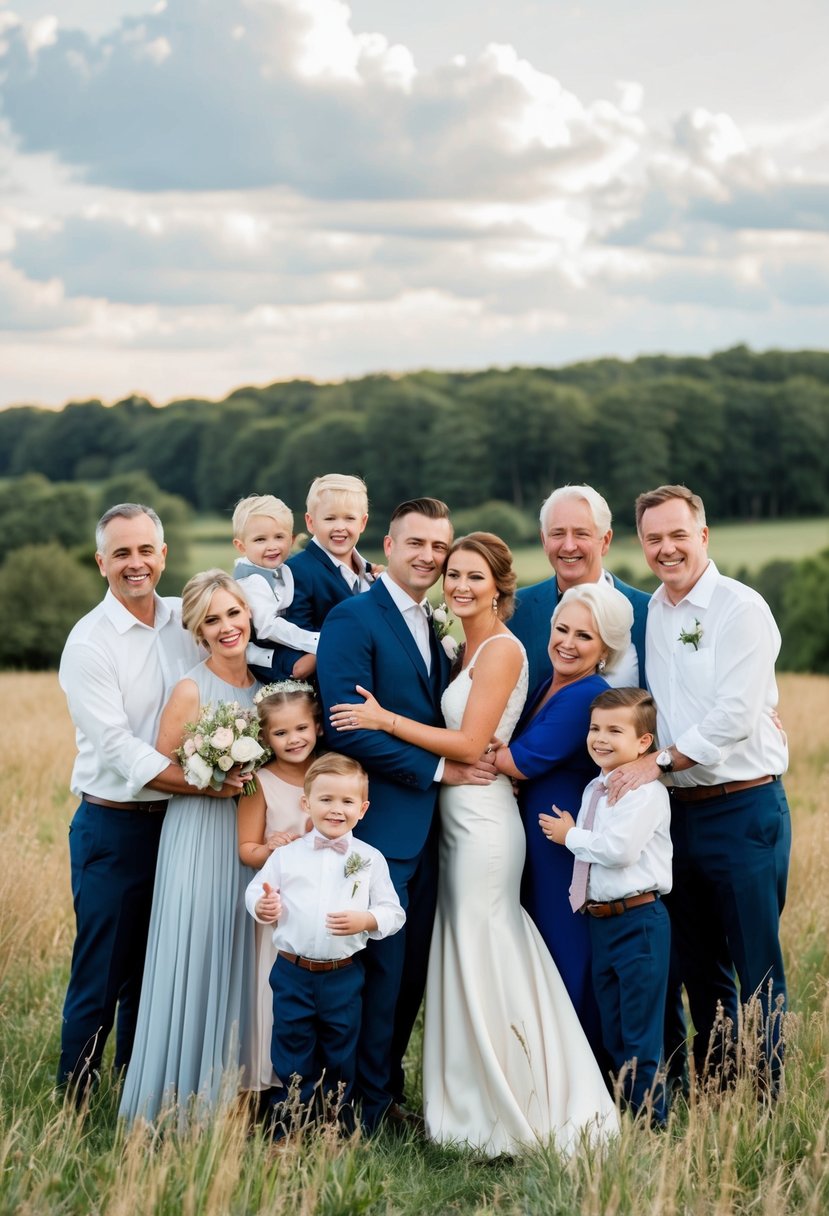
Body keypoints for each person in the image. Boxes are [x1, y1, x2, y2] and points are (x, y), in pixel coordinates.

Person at [331, 533, 618, 1156]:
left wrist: (384, 720)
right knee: (463, 952)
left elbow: (467, 745)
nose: (459, 586)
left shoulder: (503, 652)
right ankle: (467, 1099)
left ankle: (523, 1098)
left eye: (474, 578)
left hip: (484, 820)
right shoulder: (457, 648)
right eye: (452, 574)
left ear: (500, 587)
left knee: (488, 946)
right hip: (453, 818)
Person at [610, 484, 790, 1086]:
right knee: (698, 965)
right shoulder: (654, 611)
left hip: (742, 808)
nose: (667, 549)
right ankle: (719, 1090)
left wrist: (657, 763)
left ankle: (763, 1100)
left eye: (678, 535)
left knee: (755, 964)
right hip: (676, 815)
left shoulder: (741, 608)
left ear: (703, 535)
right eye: (654, 538)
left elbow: (735, 715)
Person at [317, 497, 471, 1131]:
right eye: (417, 544)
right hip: (381, 828)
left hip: (434, 829)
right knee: (376, 974)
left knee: (407, 976)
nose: (429, 557)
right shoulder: (354, 619)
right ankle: (354, 1108)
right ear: (389, 545)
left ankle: (383, 1096)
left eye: (439, 547)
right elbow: (346, 727)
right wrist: (437, 770)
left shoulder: (434, 623)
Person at [57, 503, 201, 1099]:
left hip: (180, 825)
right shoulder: (89, 644)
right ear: (101, 564)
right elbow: (117, 748)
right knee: (102, 971)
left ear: (163, 556)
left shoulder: (185, 621)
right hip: (113, 828)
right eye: (121, 553)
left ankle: (138, 1089)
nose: (135, 563)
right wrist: (203, 783)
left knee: (157, 967)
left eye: (146, 550)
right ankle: (76, 1100)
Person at [119, 570, 259, 1125]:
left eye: (233, 613)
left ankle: (238, 1098)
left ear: (249, 614)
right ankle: (182, 1104)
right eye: (212, 620)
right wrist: (214, 776)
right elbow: (159, 767)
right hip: (199, 838)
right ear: (198, 631)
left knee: (243, 957)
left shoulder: (264, 686)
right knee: (198, 952)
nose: (227, 627)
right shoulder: (191, 688)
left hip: (251, 841)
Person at [491, 583, 633, 1057]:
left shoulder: (587, 695)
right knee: (541, 955)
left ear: (605, 649)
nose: (567, 643)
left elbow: (520, 760)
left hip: (561, 848)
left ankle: (581, 1070)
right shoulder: (550, 683)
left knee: (565, 953)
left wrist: (489, 755)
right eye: (561, 629)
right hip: (537, 842)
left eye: (584, 637)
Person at [245, 753, 405, 1135]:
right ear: (307, 803)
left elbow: (393, 912)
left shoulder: (370, 859)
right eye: (326, 800)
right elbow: (255, 891)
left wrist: (366, 919)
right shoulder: (285, 856)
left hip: (342, 975)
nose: (336, 809)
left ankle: (334, 1127)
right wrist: (263, 905)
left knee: (340, 1053)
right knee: (291, 1052)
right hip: (292, 971)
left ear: (363, 809)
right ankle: (287, 1132)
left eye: (347, 802)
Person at [542, 688, 672, 1123]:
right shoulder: (595, 787)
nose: (600, 738)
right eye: (595, 728)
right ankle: (621, 1117)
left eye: (615, 730)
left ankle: (653, 1126)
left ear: (643, 744)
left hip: (639, 920)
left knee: (638, 1033)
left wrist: (570, 835)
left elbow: (618, 850)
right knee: (613, 1025)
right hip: (602, 920)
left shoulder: (645, 794)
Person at [237, 680, 319, 1093]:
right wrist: (270, 847)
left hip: (323, 912)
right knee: (274, 999)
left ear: (317, 727)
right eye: (281, 732)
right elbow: (246, 849)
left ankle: (318, 1084)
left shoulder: (329, 773)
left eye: (301, 728)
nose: (293, 739)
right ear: (265, 738)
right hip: (279, 913)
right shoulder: (260, 782)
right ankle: (271, 1086)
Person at [510, 484, 649, 693]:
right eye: (557, 534)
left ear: (605, 541)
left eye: (581, 534)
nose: (568, 546)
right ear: (544, 540)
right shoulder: (515, 609)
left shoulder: (648, 610)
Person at [284, 474, 381, 653]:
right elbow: (298, 636)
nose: (339, 527)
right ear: (311, 522)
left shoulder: (372, 573)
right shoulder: (298, 570)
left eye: (349, 518)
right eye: (330, 518)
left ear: (363, 522)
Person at [231, 494, 320, 683]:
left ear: (291, 539)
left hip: (279, 643)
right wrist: (314, 641)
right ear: (241, 546)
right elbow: (267, 628)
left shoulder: (274, 567)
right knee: (303, 666)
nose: (272, 546)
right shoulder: (251, 580)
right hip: (263, 655)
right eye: (260, 540)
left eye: (279, 537)